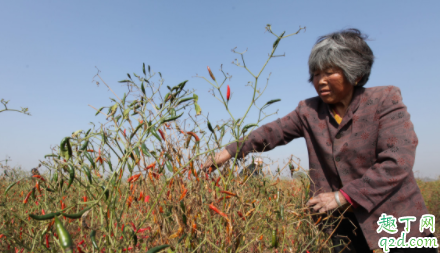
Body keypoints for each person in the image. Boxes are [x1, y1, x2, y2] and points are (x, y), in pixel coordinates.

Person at [203, 29, 438, 252]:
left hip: (396, 216)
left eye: (329, 72)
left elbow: (397, 161)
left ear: (355, 73)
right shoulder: (309, 110)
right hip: (343, 223)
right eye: (315, 74)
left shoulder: (384, 100)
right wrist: (228, 152)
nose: (320, 81)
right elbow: (271, 133)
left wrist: (342, 197)